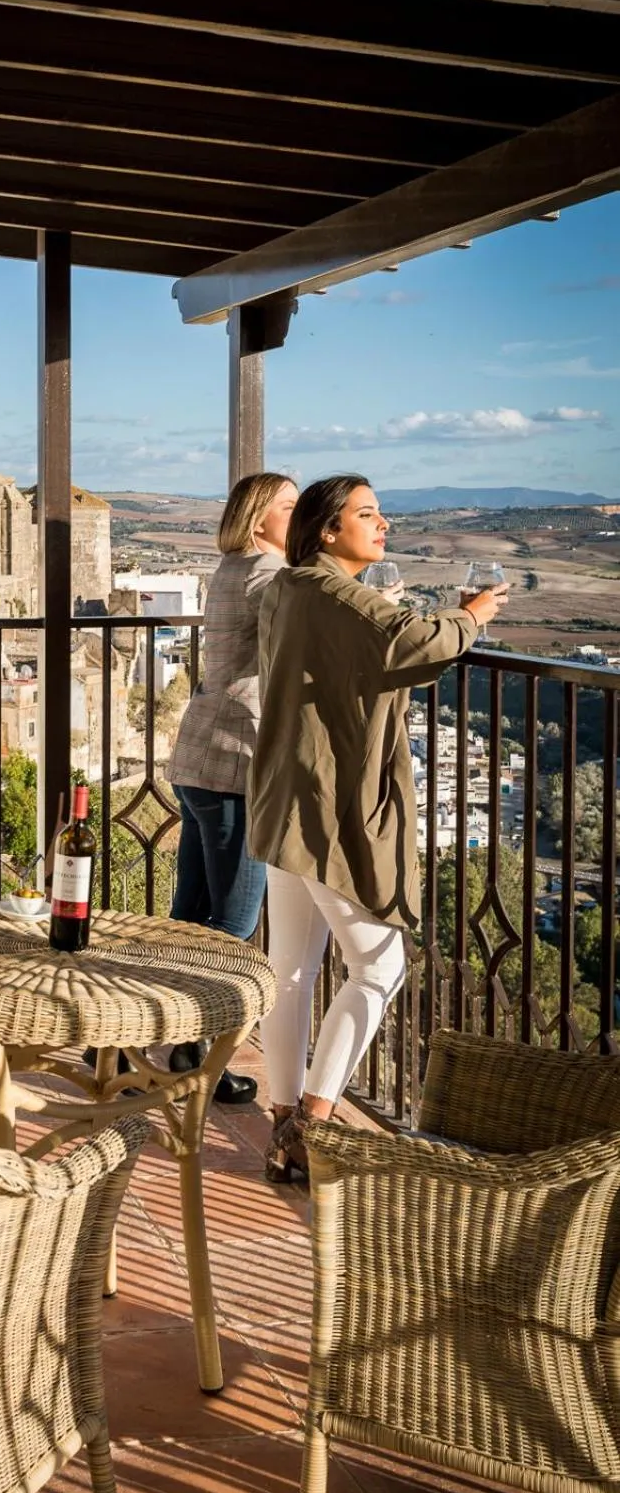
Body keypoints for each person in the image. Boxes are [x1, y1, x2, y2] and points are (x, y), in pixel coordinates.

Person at [245, 474, 507, 1177]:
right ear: (328, 530)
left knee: (290, 969)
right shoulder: (332, 592)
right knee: (379, 966)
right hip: (328, 803)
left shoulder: (288, 588)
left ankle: (282, 1119)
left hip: (284, 794)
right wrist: (474, 614)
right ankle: (316, 1121)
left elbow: (362, 659)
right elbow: (414, 639)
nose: (382, 523)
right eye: (367, 513)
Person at [166, 470, 298, 1105]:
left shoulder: (228, 569)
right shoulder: (269, 575)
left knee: (187, 917)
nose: (299, 519)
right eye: (290, 508)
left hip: (198, 756)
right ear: (258, 519)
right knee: (233, 924)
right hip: (236, 765)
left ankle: (147, 1036)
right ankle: (208, 1060)